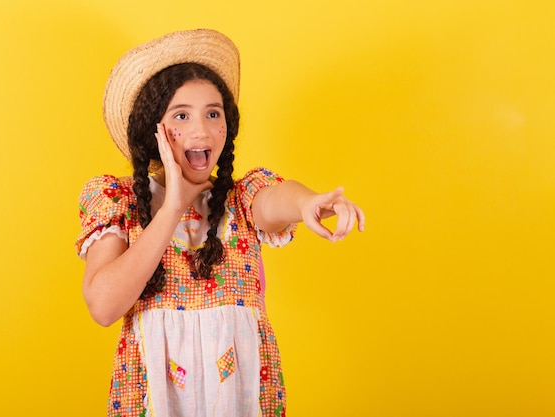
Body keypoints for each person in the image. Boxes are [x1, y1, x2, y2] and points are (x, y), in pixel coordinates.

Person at [76, 29, 365, 417]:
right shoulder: (118, 200)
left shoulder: (240, 199)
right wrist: (172, 207)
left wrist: (308, 202)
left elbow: (278, 199)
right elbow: (104, 307)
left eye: (214, 113)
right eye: (182, 115)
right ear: (154, 131)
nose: (203, 130)